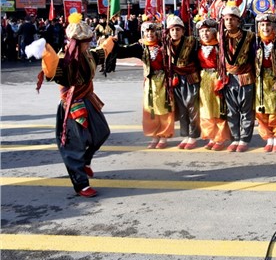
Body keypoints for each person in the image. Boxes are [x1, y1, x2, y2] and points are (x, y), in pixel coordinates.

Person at [28, 12, 114, 197]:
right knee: (73, 145)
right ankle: (81, 184)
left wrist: (109, 40)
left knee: (102, 132)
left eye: (89, 40)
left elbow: (102, 51)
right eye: (84, 41)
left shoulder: (89, 54)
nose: (88, 43)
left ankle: (86, 161)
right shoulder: (63, 61)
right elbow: (51, 70)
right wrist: (45, 52)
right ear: (74, 42)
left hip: (89, 100)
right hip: (71, 106)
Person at [115, 20, 174, 149]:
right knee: (151, 109)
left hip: (164, 81)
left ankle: (164, 135)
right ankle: (154, 135)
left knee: (164, 109)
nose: (150, 34)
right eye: (147, 31)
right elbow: (122, 52)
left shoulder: (165, 44)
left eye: (152, 31)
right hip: (150, 82)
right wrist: (113, 41)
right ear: (143, 33)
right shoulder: (141, 47)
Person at [219, 1, 256, 152]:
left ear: (238, 21)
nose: (229, 22)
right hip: (228, 77)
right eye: (226, 19)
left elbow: (254, 57)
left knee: (246, 110)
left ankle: (244, 139)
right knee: (231, 110)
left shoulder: (250, 36)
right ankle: (235, 137)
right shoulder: (221, 37)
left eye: (232, 19)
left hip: (245, 76)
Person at [165, 14, 201, 150]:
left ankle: (193, 136)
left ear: (183, 31)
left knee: (192, 107)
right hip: (176, 80)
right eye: (172, 30)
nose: (175, 32)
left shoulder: (192, 42)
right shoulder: (166, 43)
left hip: (191, 78)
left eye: (178, 29)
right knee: (181, 109)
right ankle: (185, 135)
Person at [196, 18, 230, 151]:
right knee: (206, 109)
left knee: (218, 109)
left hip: (217, 77)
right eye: (202, 31)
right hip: (204, 78)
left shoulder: (220, 46)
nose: (205, 34)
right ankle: (211, 137)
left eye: (208, 31)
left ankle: (220, 138)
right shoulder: (198, 47)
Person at [254, 11, 276, 152]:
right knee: (261, 110)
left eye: (268, 25)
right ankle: (268, 139)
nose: (265, 28)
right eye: (262, 25)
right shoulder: (255, 46)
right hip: (260, 81)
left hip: (275, 80)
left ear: (273, 27)